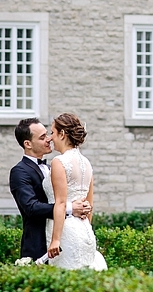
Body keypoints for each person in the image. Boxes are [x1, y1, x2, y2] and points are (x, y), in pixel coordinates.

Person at [10, 118, 92, 261]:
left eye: (48, 134)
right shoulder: (19, 171)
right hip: (39, 244)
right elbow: (31, 207)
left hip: (65, 238)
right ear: (27, 144)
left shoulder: (53, 167)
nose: (49, 139)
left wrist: (84, 205)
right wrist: (70, 208)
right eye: (42, 137)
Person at [44, 113, 107, 271]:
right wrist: (85, 227)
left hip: (65, 232)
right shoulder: (87, 164)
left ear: (62, 134)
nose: (50, 138)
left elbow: (61, 203)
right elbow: (89, 205)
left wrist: (56, 240)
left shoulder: (59, 162)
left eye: (53, 132)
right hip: (85, 231)